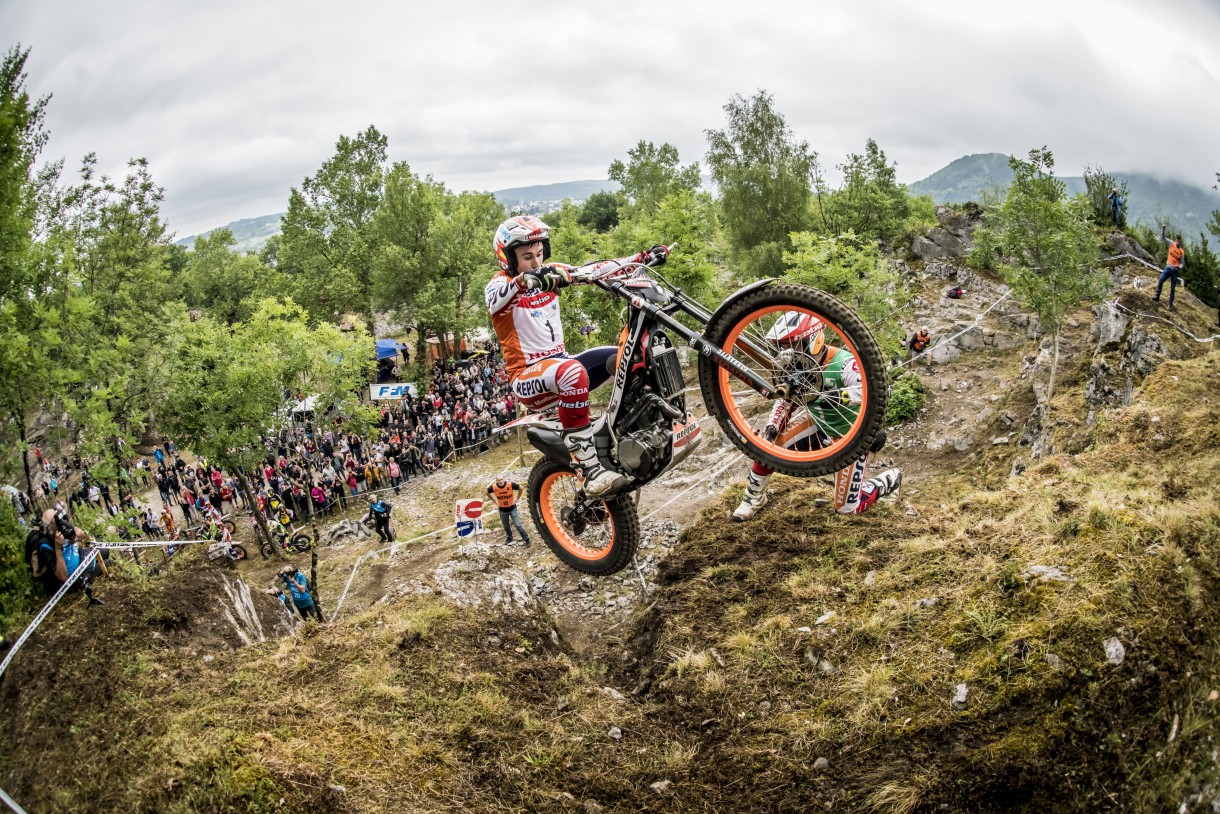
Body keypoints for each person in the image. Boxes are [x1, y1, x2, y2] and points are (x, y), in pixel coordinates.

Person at [485, 215, 668, 497]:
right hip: (526, 377)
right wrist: (525, 280)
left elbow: (595, 270)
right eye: (526, 258)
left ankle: (634, 433)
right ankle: (590, 468)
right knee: (571, 372)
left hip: (560, 362)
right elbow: (498, 298)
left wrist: (640, 258)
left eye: (539, 254)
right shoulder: (498, 285)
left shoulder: (549, 272)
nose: (536, 263)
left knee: (628, 356)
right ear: (508, 260)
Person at [733, 313, 902, 521]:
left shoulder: (844, 363)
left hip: (851, 436)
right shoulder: (797, 366)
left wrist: (837, 397)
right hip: (817, 424)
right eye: (784, 347)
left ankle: (890, 479)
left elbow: (884, 391)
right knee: (768, 449)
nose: (791, 353)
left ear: (815, 339)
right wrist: (772, 426)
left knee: (847, 508)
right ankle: (753, 498)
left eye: (797, 345)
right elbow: (785, 398)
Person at [27, 508, 108, 604]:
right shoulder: (45, 545)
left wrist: (77, 534)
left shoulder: (60, 524)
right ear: (49, 528)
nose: (59, 527)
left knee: (106, 551)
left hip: (80, 555)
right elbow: (63, 578)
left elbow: (80, 533)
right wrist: (58, 549)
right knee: (109, 564)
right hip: (75, 574)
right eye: (55, 526)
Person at [487, 476, 531, 546]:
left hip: (512, 509)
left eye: (501, 479)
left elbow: (521, 488)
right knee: (506, 526)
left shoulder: (510, 484)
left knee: (518, 525)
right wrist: (495, 501)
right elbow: (487, 492)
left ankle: (527, 539)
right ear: (496, 481)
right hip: (502, 510)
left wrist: (517, 499)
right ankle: (509, 538)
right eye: (498, 480)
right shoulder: (493, 487)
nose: (500, 481)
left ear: (504, 479)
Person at [1156, 225, 1185, 310]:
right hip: (1168, 268)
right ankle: (1157, 296)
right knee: (1161, 280)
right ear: (1176, 240)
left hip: (1175, 271)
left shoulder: (1182, 251)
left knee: (1172, 289)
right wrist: (1163, 230)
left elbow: (1182, 262)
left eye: (1180, 242)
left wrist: (1180, 266)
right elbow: (1163, 238)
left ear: (1181, 242)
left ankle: (1170, 305)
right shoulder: (1171, 244)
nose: (1178, 243)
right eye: (1178, 241)